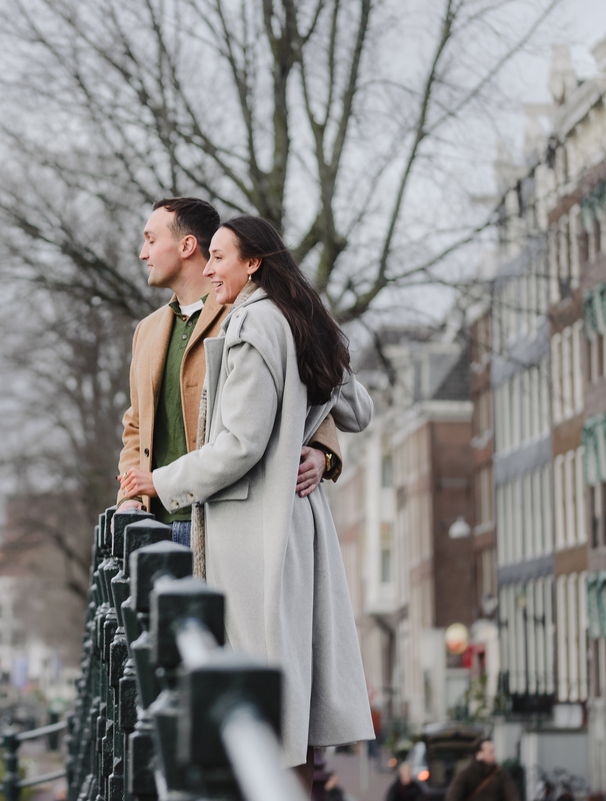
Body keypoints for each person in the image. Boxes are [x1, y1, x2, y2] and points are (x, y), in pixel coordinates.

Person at [119, 216, 374, 780]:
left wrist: (156, 482)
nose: (211, 269)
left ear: (251, 262)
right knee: (290, 687)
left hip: (248, 526)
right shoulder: (301, 319)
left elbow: (239, 444)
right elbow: (356, 409)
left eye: (219, 257)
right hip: (297, 523)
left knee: (255, 692)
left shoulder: (249, 324)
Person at [116, 198, 343, 545]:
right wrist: (129, 498)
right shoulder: (145, 331)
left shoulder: (246, 317)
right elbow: (134, 427)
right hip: (153, 526)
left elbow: (308, 389)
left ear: (187, 246)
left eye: (150, 240)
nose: (143, 253)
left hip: (221, 526)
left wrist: (323, 452)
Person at [444, 739, 517, 801]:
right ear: (479, 754)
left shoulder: (500, 774)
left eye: (494, 751)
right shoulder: (466, 773)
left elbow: (511, 794)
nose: (494, 755)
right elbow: (453, 795)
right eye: (491, 752)